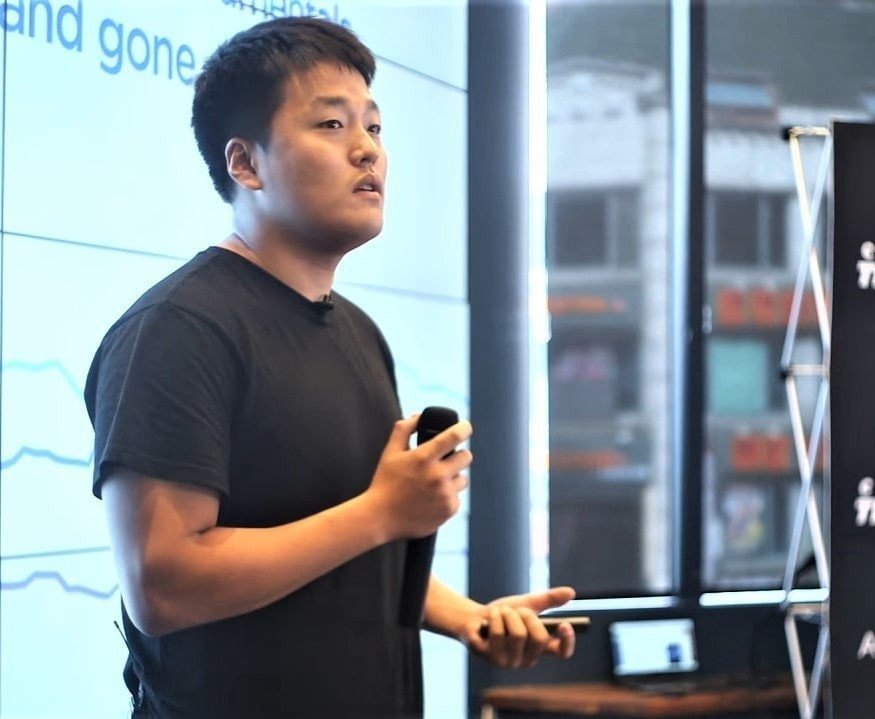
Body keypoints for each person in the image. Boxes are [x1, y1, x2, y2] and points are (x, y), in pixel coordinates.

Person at [84, 16, 576, 719]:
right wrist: (382, 512)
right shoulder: (178, 330)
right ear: (245, 164)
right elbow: (164, 585)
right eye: (332, 125)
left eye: (373, 127)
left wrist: (467, 617)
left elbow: (343, 544)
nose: (367, 149)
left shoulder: (359, 332)